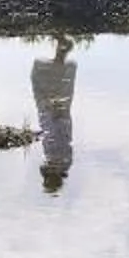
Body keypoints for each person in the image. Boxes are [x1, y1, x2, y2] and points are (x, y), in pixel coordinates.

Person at [30, 35, 78, 192]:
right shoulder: (60, 163)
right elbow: (59, 139)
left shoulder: (61, 163)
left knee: (46, 89)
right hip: (56, 118)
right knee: (45, 91)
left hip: (57, 119)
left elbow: (59, 140)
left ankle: (62, 50)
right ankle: (62, 51)